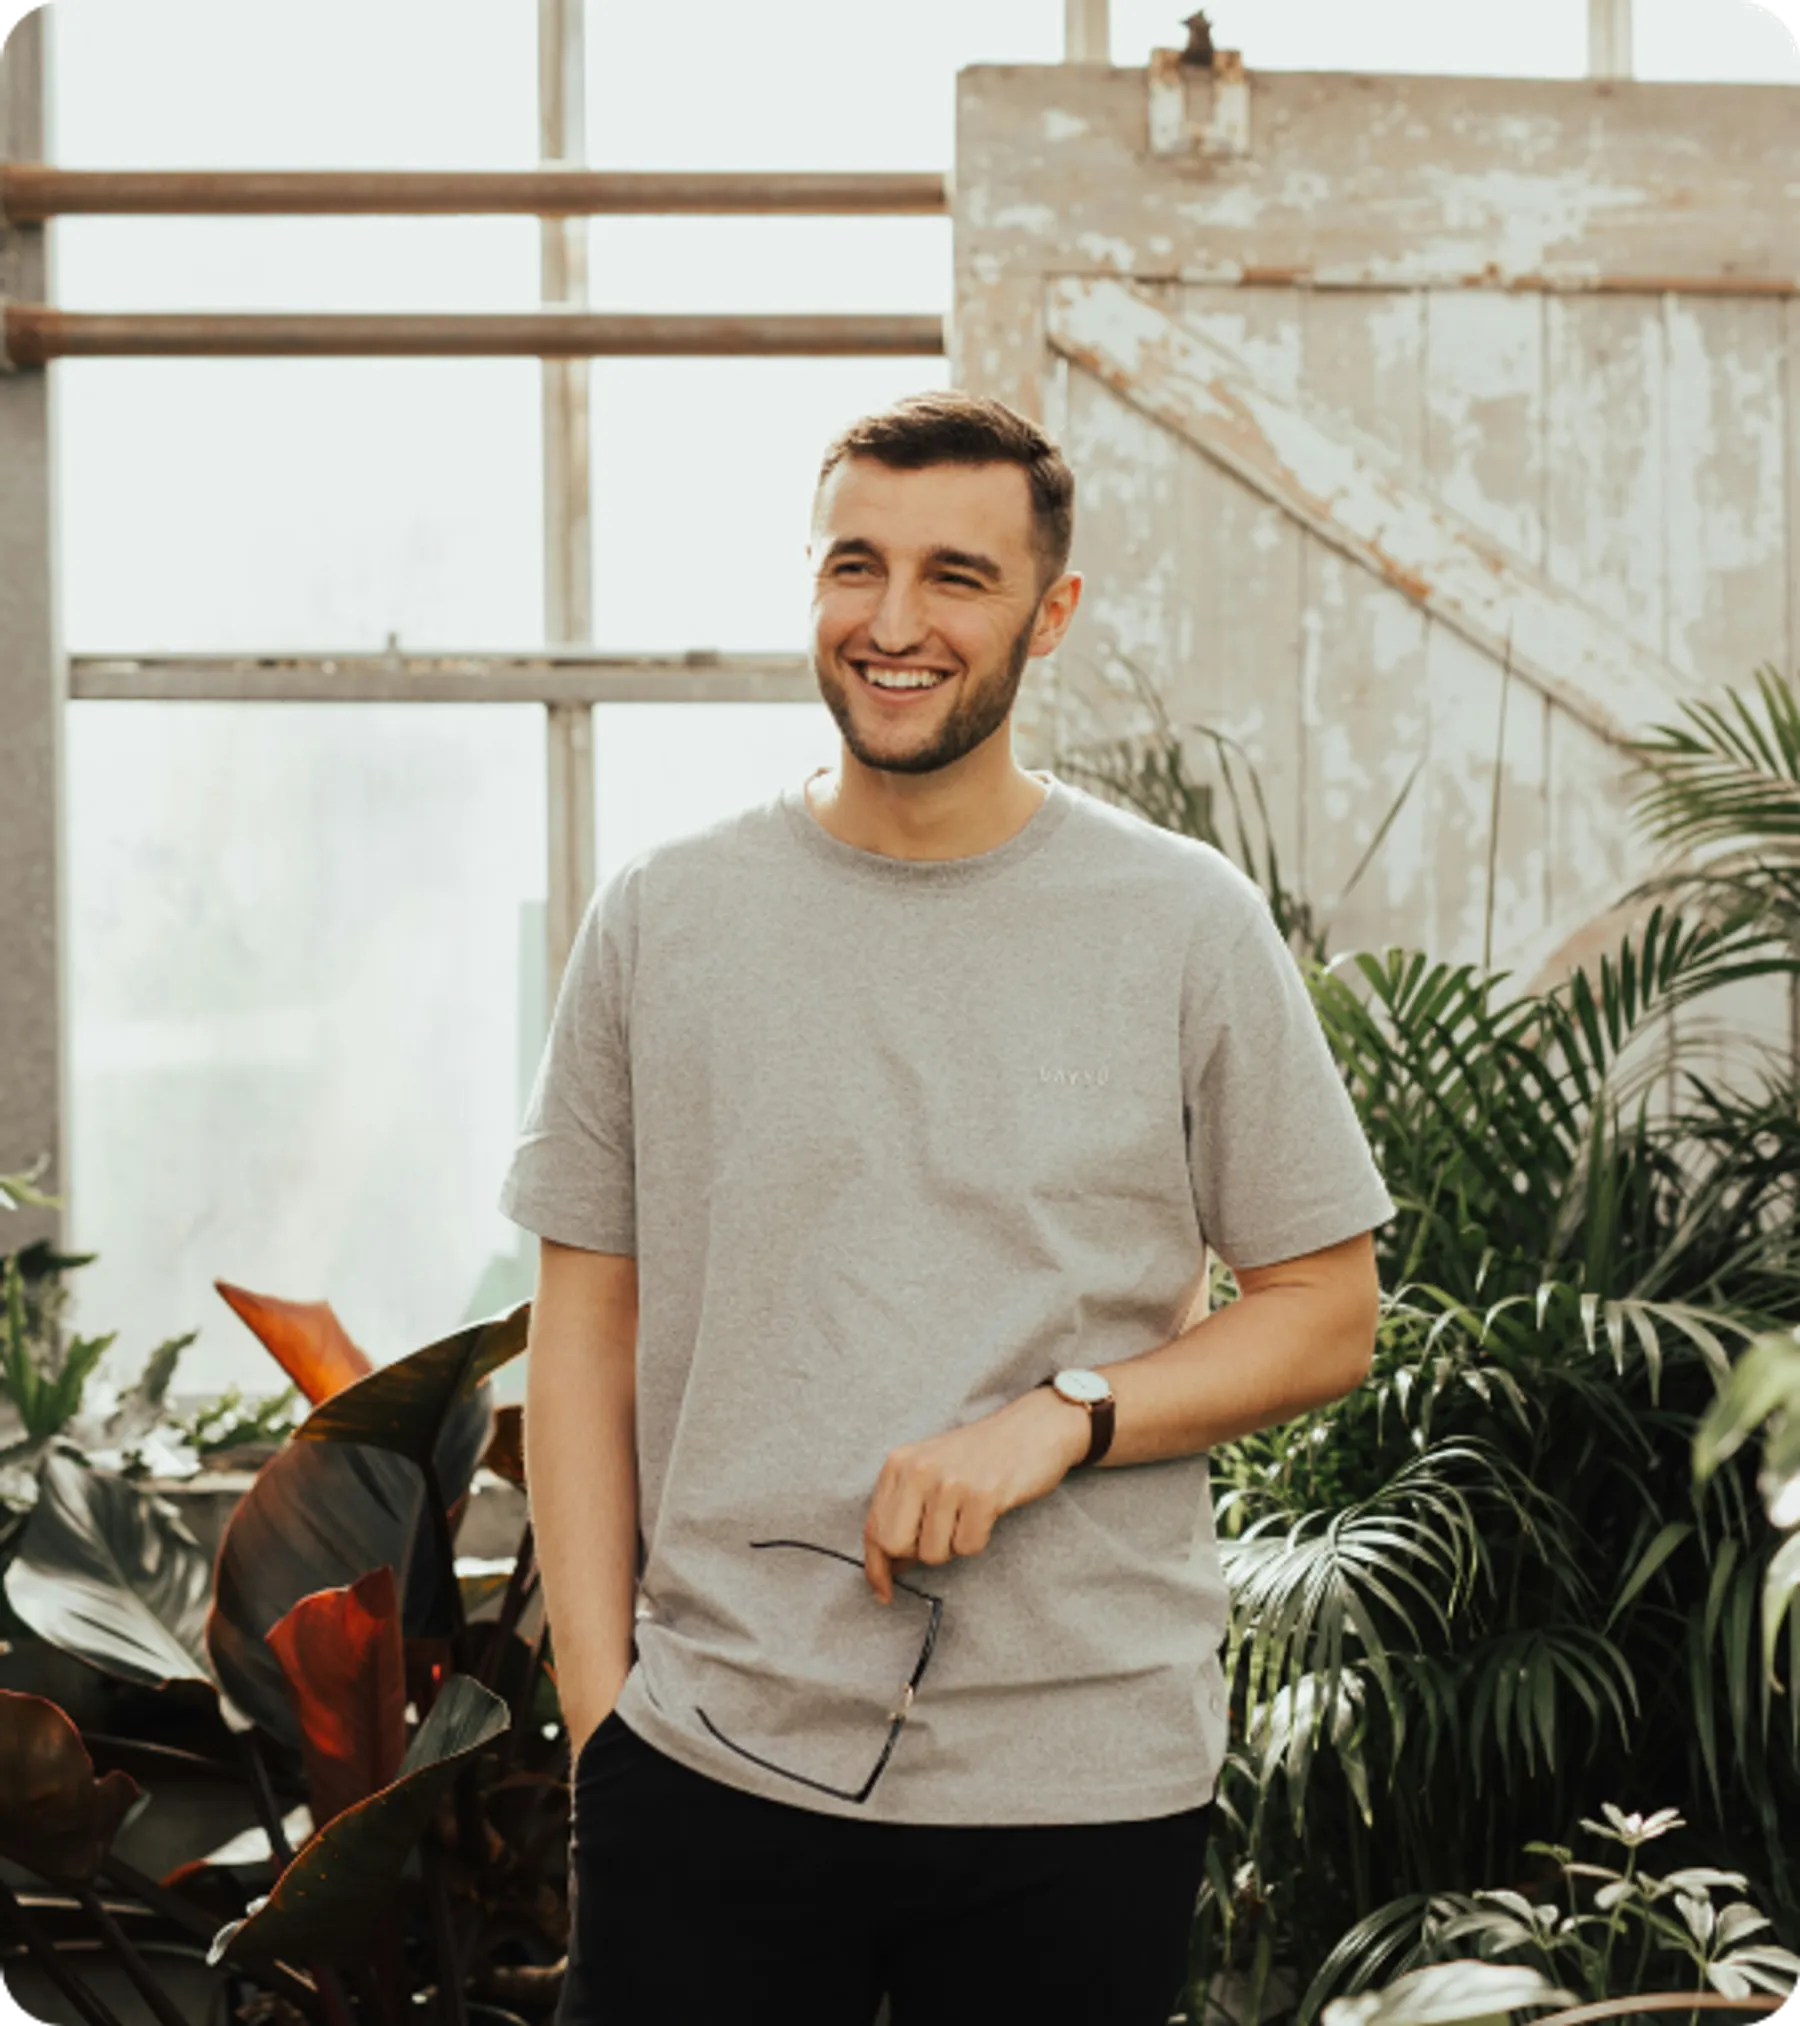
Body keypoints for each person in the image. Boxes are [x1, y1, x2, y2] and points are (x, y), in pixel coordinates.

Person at [501, 390, 1395, 2026]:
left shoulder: (1184, 922)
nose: (894, 623)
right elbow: (584, 1330)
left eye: (956, 578)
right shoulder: (665, 917)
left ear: (1050, 613)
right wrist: (599, 1716)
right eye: (858, 566)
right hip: (708, 1758)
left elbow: (1328, 1308)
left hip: (1081, 1781)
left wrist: (1066, 1412)